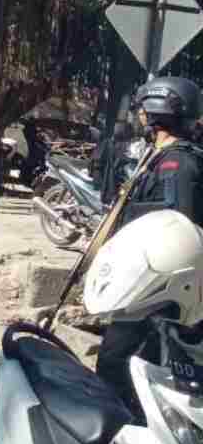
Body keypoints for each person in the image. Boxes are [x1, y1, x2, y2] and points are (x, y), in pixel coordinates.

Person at [93, 77, 203, 413]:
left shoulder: (176, 165)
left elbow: (177, 230)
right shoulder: (164, 158)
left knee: (118, 363)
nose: (140, 116)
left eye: (143, 110)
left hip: (157, 289)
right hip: (147, 283)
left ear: (154, 112)